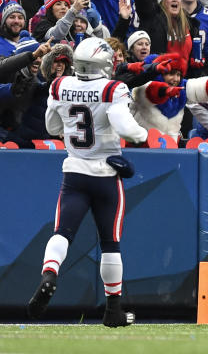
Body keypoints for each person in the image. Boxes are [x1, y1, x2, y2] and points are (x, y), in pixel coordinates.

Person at [28, 37, 145, 327]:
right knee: (110, 243)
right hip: (106, 176)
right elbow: (126, 127)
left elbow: (52, 126)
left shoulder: (61, 85)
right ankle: (113, 310)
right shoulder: (112, 89)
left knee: (62, 232)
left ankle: (50, 273)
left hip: (75, 174)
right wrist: (141, 135)